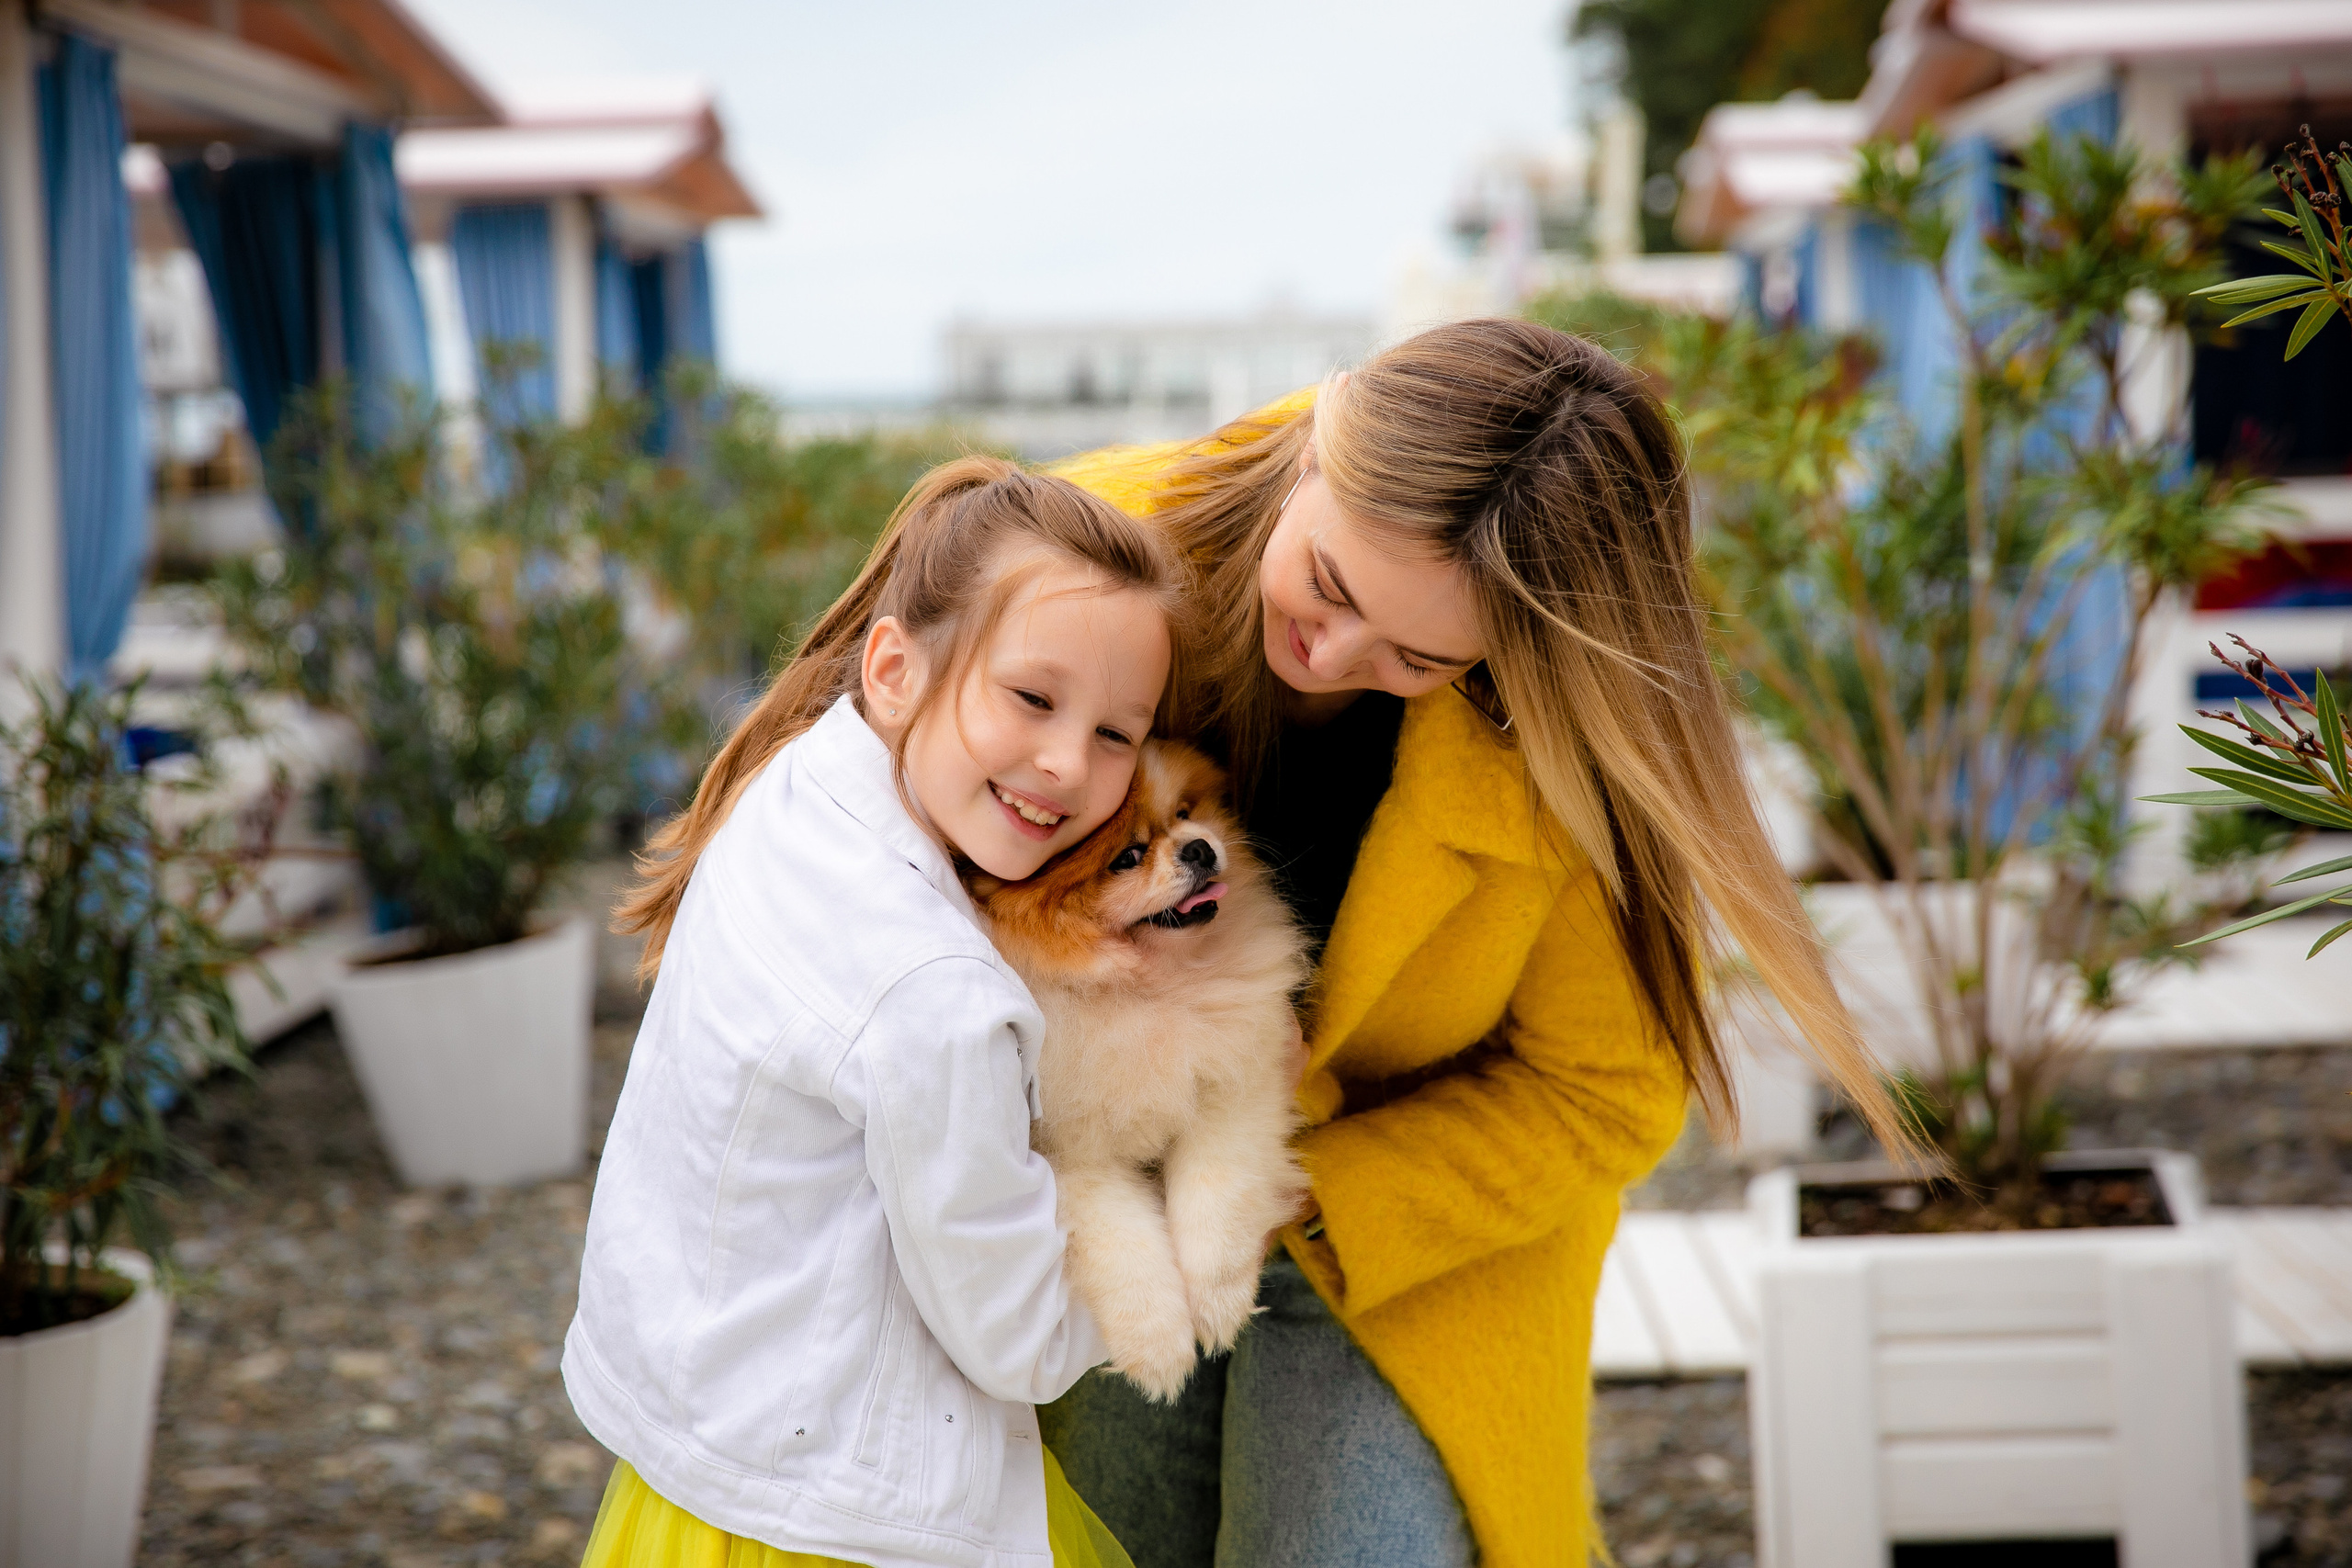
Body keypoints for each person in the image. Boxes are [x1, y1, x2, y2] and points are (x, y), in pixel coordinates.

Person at [1038, 318, 1922, 1568]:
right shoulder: (1087, 548)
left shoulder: (1566, 743)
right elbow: (874, 856)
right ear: (1322, 442)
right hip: (1106, 1186)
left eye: (1423, 655)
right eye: (1332, 584)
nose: (1337, 655)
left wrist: (1303, 1188)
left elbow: (1608, 1093)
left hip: (1397, 1239)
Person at [572, 458, 1187, 1568]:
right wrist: (1182, 1220)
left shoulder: (794, 787)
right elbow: (1020, 1335)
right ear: (895, 668)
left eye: (1116, 734)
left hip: (705, 1454)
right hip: (840, 1523)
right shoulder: (934, 999)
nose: (1067, 765)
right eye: (1033, 698)